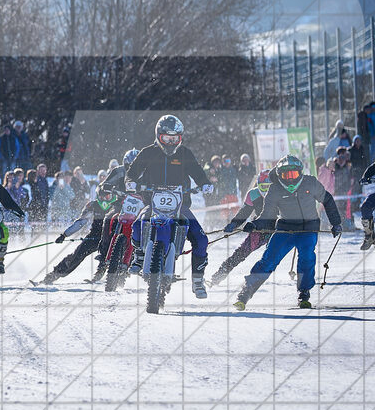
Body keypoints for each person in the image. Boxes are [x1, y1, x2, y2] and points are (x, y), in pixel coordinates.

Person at [234, 155, 341, 310]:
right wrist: (254, 224)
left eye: (294, 175)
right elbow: (267, 215)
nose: (290, 179)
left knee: (307, 257)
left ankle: (304, 293)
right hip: (285, 228)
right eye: (286, 175)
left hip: (308, 228)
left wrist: (336, 222)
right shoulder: (275, 189)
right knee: (269, 259)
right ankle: (246, 291)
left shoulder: (310, 182)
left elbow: (328, 200)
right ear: (280, 175)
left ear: (300, 172)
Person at [124, 115, 213, 298]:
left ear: (180, 138)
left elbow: (197, 172)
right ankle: (140, 255)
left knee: (201, 239)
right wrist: (131, 182)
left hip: (180, 206)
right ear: (158, 136)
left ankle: (198, 280)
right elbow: (132, 172)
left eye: (175, 139)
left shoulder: (185, 153)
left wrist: (205, 183)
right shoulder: (148, 152)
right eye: (167, 138)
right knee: (137, 225)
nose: (171, 142)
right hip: (153, 203)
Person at [40, 185, 119, 285]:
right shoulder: (92, 205)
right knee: (76, 255)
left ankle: (103, 276)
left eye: (107, 197)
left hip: (112, 237)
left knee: (108, 255)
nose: (104, 200)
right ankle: (53, 275)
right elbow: (80, 222)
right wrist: (64, 235)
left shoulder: (117, 205)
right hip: (94, 236)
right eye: (102, 197)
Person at [211, 170, 271, 283]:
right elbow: (244, 213)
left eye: (269, 187)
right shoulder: (253, 194)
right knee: (242, 252)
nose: (267, 190)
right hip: (260, 227)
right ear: (258, 185)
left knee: (274, 254)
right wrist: (234, 224)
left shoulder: (278, 193)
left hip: (277, 229)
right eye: (264, 187)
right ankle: (220, 274)